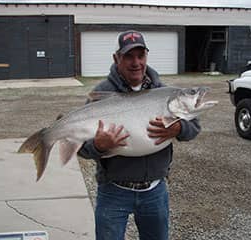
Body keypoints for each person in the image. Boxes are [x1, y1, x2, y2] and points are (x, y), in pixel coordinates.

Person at [78, 30, 201, 240]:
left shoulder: (164, 92)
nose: (136, 62)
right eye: (128, 56)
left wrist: (178, 128)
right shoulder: (102, 94)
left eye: (140, 55)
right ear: (116, 58)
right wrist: (98, 146)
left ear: (146, 57)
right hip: (113, 191)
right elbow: (81, 147)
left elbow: (194, 128)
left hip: (155, 190)